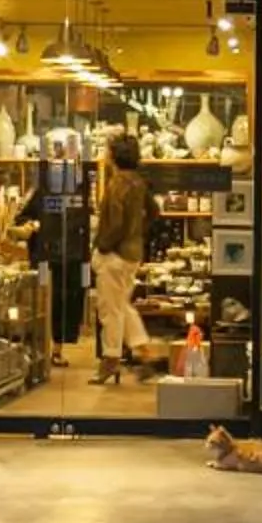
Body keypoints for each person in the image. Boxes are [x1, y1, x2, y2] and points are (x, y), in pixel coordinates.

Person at [91, 135, 153, 384]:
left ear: (114, 155)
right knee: (122, 307)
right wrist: (137, 232)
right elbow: (154, 211)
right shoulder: (139, 182)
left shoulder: (117, 184)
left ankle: (110, 360)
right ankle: (144, 354)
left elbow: (115, 223)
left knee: (110, 311)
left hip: (115, 255)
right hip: (133, 253)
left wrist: (102, 246)